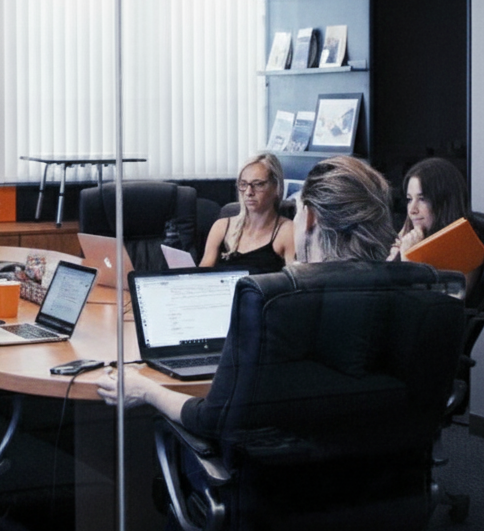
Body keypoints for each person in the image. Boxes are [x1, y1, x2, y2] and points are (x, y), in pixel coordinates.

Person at [98, 155, 394, 424]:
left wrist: (147, 391)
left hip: (272, 471)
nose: (249, 192)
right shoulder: (415, 297)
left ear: (311, 218)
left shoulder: (274, 313)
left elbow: (212, 417)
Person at [200, 152, 295, 271]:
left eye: (258, 184)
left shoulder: (287, 231)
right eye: (243, 184)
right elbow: (202, 275)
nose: (249, 192)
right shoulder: (221, 227)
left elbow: (295, 282)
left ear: (276, 187)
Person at [387, 157, 470, 261]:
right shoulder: (411, 235)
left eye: (422, 199)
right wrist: (393, 259)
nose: (412, 210)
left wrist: (409, 258)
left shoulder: (466, 247)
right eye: (409, 199)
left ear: (444, 202)